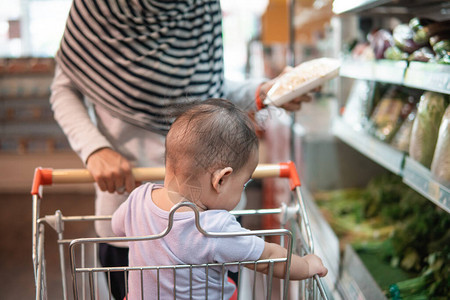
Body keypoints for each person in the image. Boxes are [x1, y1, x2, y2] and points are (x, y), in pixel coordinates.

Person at [50, 1, 312, 299]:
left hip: (198, 210)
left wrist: (263, 92)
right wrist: (95, 148)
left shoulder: (200, 6)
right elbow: (64, 86)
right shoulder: (99, 7)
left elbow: (202, 90)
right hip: (135, 213)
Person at [111, 99, 327, 299]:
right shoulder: (213, 227)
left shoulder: (138, 198)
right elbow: (269, 258)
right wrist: (306, 266)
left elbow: (117, 227)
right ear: (221, 180)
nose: (242, 190)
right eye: (243, 184)